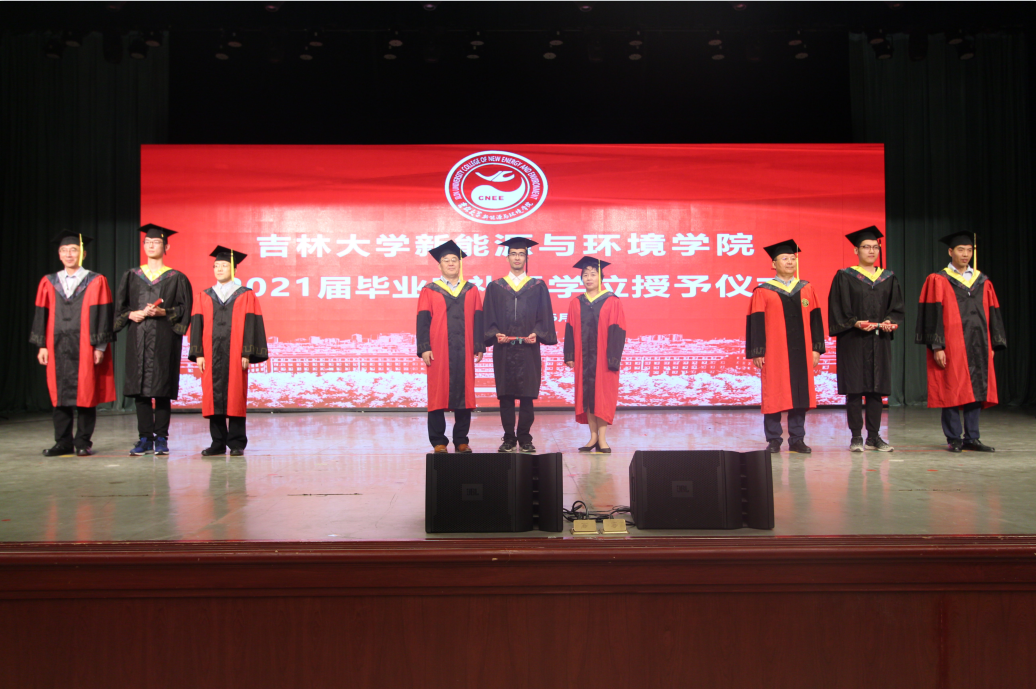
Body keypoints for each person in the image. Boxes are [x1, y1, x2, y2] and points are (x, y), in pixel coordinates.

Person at [915, 232, 1006, 452]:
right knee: (951, 388)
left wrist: (993, 344)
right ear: (950, 252)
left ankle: (972, 437)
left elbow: (993, 312)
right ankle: (954, 437)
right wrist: (937, 346)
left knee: (976, 389)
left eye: (969, 250)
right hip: (952, 344)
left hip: (979, 343)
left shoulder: (983, 281)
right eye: (960, 250)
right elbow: (933, 315)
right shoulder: (938, 279)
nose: (965, 254)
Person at [30, 231, 116, 456]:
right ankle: (63, 442)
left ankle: (83, 442)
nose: (69, 254)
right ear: (59, 255)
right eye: (64, 250)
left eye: (74, 250)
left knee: (86, 394)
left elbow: (103, 314)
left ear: (83, 254)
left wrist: (100, 347)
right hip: (56, 345)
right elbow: (41, 313)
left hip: (86, 345)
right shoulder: (49, 281)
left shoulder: (96, 280)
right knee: (59, 395)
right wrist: (42, 345)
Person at [115, 224, 193, 457]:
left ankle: (161, 438)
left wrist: (164, 312)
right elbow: (120, 308)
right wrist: (131, 314)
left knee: (161, 389)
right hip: (138, 338)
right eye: (147, 242)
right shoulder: (132, 275)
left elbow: (185, 309)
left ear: (166, 247)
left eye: (156, 242)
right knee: (140, 391)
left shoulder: (176, 277)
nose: (151, 245)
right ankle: (144, 439)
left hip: (163, 339)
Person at [828, 226, 905, 452]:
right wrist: (854, 322)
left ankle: (873, 436)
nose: (871, 251)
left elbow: (896, 307)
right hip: (853, 340)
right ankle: (855, 437)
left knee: (876, 389)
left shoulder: (888, 278)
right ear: (856, 250)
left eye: (875, 247)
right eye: (866, 247)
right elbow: (837, 308)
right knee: (854, 389)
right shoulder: (845, 276)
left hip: (878, 340)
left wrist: (890, 320)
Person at [745, 240, 825, 454]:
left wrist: (816, 348)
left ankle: (797, 439)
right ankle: (774, 439)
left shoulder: (807, 288)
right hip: (775, 352)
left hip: (802, 351)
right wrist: (758, 351)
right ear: (774, 264)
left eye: (793, 258)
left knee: (800, 393)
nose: (790, 262)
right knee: (773, 392)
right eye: (784, 258)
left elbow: (816, 320)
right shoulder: (763, 291)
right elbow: (756, 322)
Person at [188, 247, 268, 457]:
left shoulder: (246, 294)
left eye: (224, 265)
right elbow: (197, 324)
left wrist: (247, 352)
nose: (219, 269)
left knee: (235, 396)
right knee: (212, 397)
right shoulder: (204, 295)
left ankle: (236, 443)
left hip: (236, 354)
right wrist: (198, 353)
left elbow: (251, 324)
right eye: (216, 266)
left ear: (234, 269)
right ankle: (217, 442)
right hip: (210, 354)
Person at [482, 237, 558, 453]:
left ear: (526, 258)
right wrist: (495, 333)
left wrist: (538, 333)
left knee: (527, 395)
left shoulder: (537, 286)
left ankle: (525, 438)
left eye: (521, 254)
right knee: (505, 396)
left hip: (528, 348)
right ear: (507, 258)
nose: (517, 257)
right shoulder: (496, 287)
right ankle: (508, 437)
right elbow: (489, 316)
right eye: (513, 254)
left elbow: (544, 315)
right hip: (504, 348)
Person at [417, 240, 486, 453]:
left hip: (464, 349)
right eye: (446, 260)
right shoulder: (429, 290)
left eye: (454, 260)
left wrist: (478, 345)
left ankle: (461, 440)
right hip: (438, 350)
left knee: (465, 393)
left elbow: (478, 318)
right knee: (437, 393)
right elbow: (423, 320)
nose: (450, 263)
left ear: (459, 263)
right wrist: (424, 347)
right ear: (439, 265)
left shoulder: (471, 290)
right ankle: (438, 441)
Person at [563, 257, 626, 453]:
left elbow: (617, 330)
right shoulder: (576, 303)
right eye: (585, 275)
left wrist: (613, 358)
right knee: (587, 398)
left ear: (601, 277)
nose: (589, 278)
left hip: (604, 360)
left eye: (593, 274)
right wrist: (569, 355)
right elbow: (570, 330)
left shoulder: (612, 301)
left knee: (602, 398)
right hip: (583, 359)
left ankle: (603, 439)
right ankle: (592, 437)